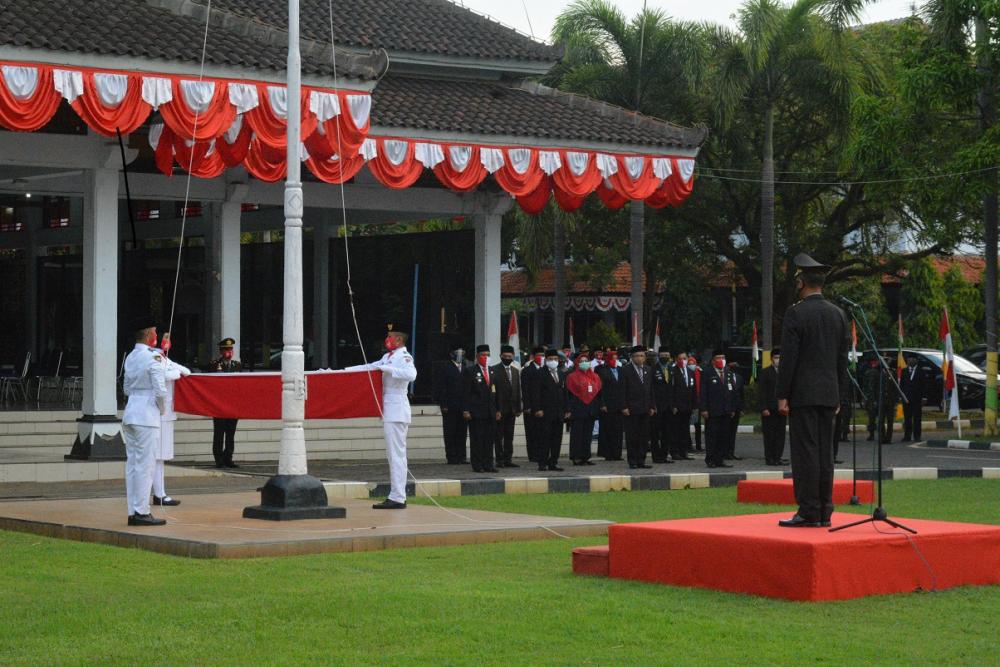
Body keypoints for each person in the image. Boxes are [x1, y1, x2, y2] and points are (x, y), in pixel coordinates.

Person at [776, 253, 850, 528]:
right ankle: (825, 510)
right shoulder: (838, 314)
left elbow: (789, 359)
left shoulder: (796, 313)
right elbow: (843, 360)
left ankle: (808, 510)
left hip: (803, 394)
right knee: (825, 454)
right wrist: (840, 394)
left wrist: (783, 394)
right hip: (829, 393)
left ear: (800, 282)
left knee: (806, 452)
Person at [345, 325, 417, 509]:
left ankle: (398, 496)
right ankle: (396, 495)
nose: (387, 340)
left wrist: (390, 370)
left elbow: (411, 374)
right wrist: (343, 372)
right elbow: (370, 367)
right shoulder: (388, 357)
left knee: (397, 455)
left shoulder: (404, 357)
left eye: (390, 336)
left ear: (399, 340)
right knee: (393, 455)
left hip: (397, 409)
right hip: (389, 410)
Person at [121, 315, 167, 526]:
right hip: (146, 416)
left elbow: (126, 387)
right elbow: (160, 389)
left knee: (133, 465)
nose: (156, 336)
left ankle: (134, 510)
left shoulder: (131, 356)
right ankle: (141, 511)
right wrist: (162, 409)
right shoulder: (153, 357)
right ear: (149, 335)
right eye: (155, 332)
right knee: (146, 465)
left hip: (131, 411)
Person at [153, 333, 191, 507]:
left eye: (168, 340)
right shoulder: (154, 357)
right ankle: (158, 493)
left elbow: (184, 370)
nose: (166, 343)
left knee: (161, 457)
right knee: (157, 456)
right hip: (158, 412)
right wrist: (176, 372)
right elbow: (165, 375)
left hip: (166, 413)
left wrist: (178, 371)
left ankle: (160, 492)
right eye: (163, 340)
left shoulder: (165, 359)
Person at [462, 344, 499, 473]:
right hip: (476, 411)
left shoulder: (493, 371)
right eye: (483, 355)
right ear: (477, 357)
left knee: (489, 440)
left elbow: (495, 392)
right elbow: (465, 392)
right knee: (477, 439)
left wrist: (497, 410)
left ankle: (488, 463)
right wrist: (466, 410)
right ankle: (477, 464)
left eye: (488, 355)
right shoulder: (470, 371)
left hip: (490, 411)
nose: (486, 357)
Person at [529, 348, 566, 471]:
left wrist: (566, 409)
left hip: (558, 412)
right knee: (544, 439)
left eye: (555, 359)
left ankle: (553, 462)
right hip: (545, 412)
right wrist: (537, 408)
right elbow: (535, 393)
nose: (553, 361)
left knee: (557, 439)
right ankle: (542, 463)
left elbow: (564, 392)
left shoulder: (560, 373)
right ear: (546, 360)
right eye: (550, 359)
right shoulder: (540, 373)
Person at [621, 345, 656, 469]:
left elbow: (651, 389)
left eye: (641, 356)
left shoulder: (648, 369)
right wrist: (624, 406)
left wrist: (652, 406)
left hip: (645, 408)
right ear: (632, 357)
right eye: (636, 356)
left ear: (645, 357)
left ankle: (642, 460)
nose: (639, 358)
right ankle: (633, 461)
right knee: (632, 436)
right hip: (631, 408)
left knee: (644, 436)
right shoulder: (626, 370)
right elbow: (622, 389)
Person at [700, 350, 737, 469]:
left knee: (723, 436)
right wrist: (704, 409)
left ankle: (720, 459)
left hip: (726, 410)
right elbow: (703, 393)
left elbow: (731, 392)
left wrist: (732, 408)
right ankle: (710, 459)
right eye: (718, 357)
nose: (721, 360)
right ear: (713, 361)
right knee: (712, 436)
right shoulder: (707, 373)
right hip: (712, 411)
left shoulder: (728, 373)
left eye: (723, 357)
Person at [209, 337, 241, 469]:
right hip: (218, 405)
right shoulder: (214, 365)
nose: (229, 352)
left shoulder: (237, 365)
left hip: (232, 405)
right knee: (219, 432)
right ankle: (219, 459)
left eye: (231, 349)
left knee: (230, 433)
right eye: (227, 349)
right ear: (221, 351)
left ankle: (228, 458)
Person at [433, 343, 468, 465]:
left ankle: (462, 456)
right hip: (449, 405)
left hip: (463, 406)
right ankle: (452, 456)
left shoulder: (465, 367)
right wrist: (443, 404)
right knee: (450, 431)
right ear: (451, 354)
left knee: (462, 432)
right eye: (458, 353)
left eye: (462, 353)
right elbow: (441, 387)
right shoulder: (445, 367)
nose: (460, 355)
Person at [566, 351, 602, 465]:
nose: (584, 363)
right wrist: (569, 409)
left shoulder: (595, 376)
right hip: (578, 409)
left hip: (590, 409)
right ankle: (576, 457)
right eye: (581, 362)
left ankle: (585, 457)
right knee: (577, 434)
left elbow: (598, 393)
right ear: (577, 363)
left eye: (586, 361)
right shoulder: (572, 377)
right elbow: (569, 394)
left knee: (587, 434)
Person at [492, 345, 522, 468]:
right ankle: (499, 459)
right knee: (499, 436)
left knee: (509, 435)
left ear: (513, 357)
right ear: (501, 356)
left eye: (510, 357)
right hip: (500, 409)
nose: (508, 358)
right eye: (505, 356)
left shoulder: (515, 371)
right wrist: (496, 409)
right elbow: (493, 392)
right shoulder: (494, 370)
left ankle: (508, 459)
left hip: (512, 409)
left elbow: (517, 390)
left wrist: (519, 408)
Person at [757, 351, 788, 466]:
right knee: (769, 435)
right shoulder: (765, 373)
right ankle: (769, 458)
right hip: (769, 410)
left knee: (780, 435)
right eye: (776, 357)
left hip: (781, 410)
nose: (778, 360)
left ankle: (778, 457)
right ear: (771, 359)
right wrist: (763, 408)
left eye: (780, 357)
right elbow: (762, 393)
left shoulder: (785, 373)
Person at [596, 347, 625, 461]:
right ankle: (608, 453)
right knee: (607, 429)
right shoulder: (601, 370)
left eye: (616, 358)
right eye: (612, 358)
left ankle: (617, 453)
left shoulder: (620, 369)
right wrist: (602, 403)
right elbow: (599, 388)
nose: (614, 360)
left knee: (618, 430)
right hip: (607, 405)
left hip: (619, 405)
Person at [667, 351, 697, 461]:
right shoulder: (672, 372)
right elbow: (671, 390)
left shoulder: (690, 371)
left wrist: (694, 404)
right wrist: (673, 405)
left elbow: (693, 389)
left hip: (687, 406)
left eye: (684, 358)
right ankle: (674, 452)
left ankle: (684, 452)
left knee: (685, 431)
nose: (682, 360)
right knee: (675, 430)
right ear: (676, 359)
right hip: (677, 407)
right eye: (680, 358)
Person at [520, 346, 546, 464]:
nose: (541, 358)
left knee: (542, 432)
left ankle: (541, 453)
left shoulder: (545, 369)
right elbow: (525, 390)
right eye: (539, 355)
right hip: (531, 407)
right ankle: (533, 455)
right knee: (531, 432)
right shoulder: (527, 370)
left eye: (543, 355)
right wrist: (527, 406)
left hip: (543, 406)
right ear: (533, 357)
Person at [651, 347, 674, 464]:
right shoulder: (653, 369)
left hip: (669, 407)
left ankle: (664, 456)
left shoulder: (671, 369)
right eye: (663, 354)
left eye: (667, 354)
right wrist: (653, 405)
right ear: (659, 355)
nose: (665, 356)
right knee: (655, 433)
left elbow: (673, 388)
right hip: (657, 407)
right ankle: (656, 456)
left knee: (667, 433)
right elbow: (651, 389)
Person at [900, 355, 925, 442]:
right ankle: (907, 435)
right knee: (907, 418)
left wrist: (924, 397)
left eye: (911, 359)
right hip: (906, 399)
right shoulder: (904, 371)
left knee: (917, 418)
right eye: (908, 358)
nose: (909, 360)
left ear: (916, 360)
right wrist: (901, 396)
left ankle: (917, 436)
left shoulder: (921, 371)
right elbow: (902, 385)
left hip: (917, 399)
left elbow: (924, 385)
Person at [725, 361, 745, 461]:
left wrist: (741, 408)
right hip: (728, 409)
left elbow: (741, 394)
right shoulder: (725, 377)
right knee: (726, 432)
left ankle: (731, 452)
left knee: (733, 432)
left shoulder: (739, 377)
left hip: (736, 409)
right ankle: (724, 452)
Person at [688, 355, 703, 452]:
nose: (691, 365)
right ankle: (688, 445)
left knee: (697, 425)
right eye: (689, 364)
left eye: (693, 363)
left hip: (698, 403)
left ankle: (698, 445)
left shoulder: (700, 372)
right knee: (686, 425)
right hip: (688, 403)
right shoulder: (686, 373)